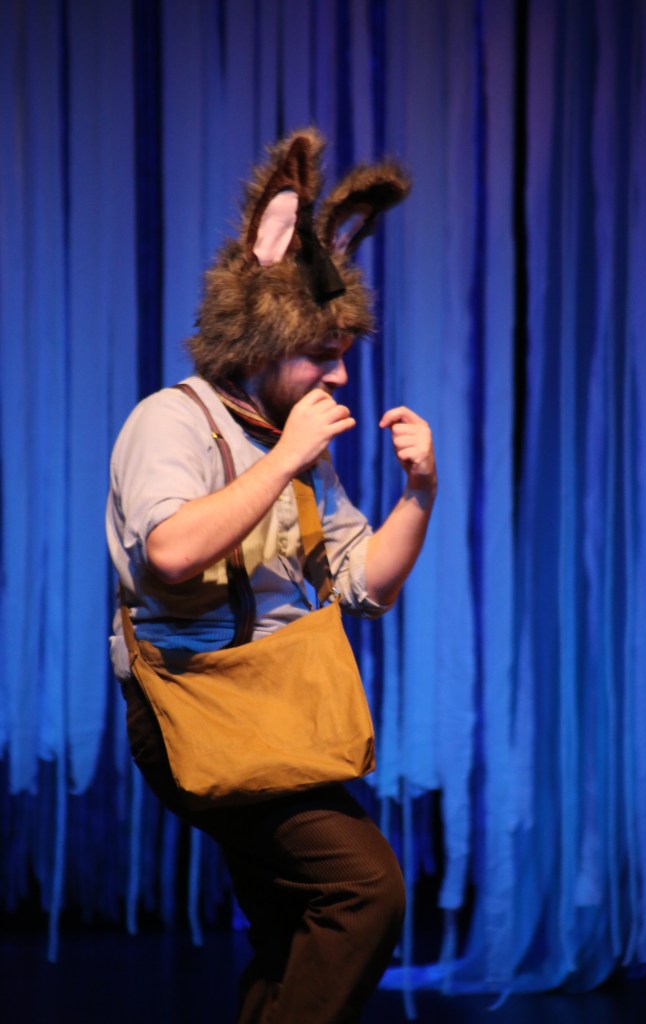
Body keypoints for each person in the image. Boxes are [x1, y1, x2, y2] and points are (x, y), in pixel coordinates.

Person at [106, 127, 436, 1023]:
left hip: (280, 705)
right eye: (319, 354)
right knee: (363, 890)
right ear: (261, 342)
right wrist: (285, 457)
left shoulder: (296, 446)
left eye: (342, 353)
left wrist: (419, 493)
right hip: (196, 704)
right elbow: (171, 553)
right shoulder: (171, 422)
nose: (339, 374)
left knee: (295, 931)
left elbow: (366, 586)